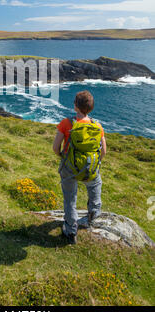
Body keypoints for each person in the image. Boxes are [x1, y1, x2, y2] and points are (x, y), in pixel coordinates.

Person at [53, 90, 107, 245]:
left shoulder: (66, 123)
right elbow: (103, 151)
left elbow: (55, 147)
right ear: (91, 108)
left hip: (69, 168)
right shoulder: (97, 125)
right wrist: (94, 164)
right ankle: (93, 216)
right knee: (95, 187)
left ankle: (70, 231)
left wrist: (64, 158)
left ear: (75, 106)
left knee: (70, 198)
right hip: (91, 168)